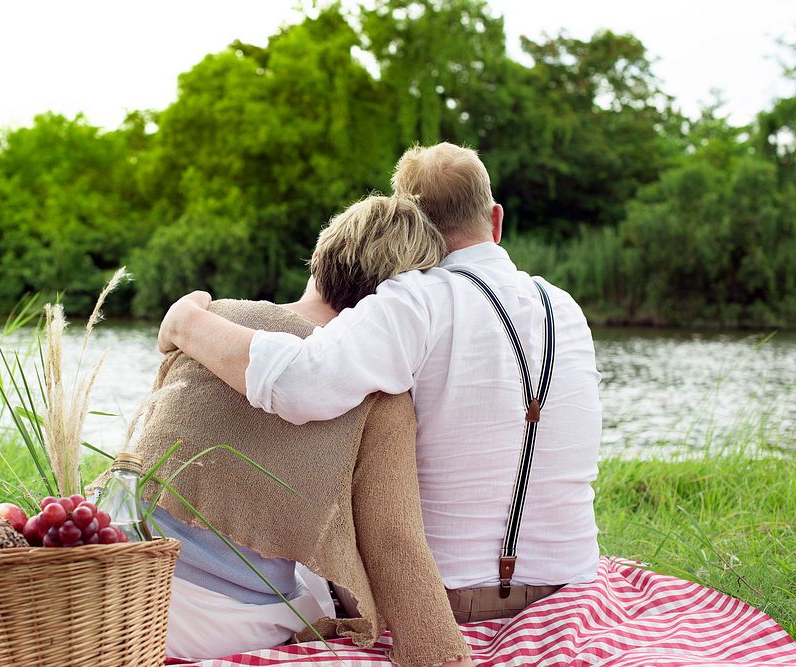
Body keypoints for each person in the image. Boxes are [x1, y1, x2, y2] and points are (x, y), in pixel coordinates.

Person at [157, 143, 603, 623]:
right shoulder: (564, 307)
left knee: (303, 564)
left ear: (410, 228)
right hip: (569, 589)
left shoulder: (414, 299)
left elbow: (298, 383)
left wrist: (186, 322)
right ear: (495, 220)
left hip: (441, 601)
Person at [119, 195, 472, 666]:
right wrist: (442, 656)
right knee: (318, 598)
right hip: (209, 622)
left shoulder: (215, 321)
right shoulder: (381, 395)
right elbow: (393, 540)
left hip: (115, 576)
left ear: (321, 257)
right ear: (400, 303)